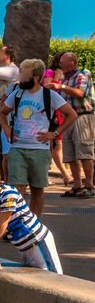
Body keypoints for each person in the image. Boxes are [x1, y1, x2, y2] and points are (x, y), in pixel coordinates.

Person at [0, 58, 75, 217]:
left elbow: (71, 115)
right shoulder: (17, 93)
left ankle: (33, 225)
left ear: (35, 77)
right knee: (16, 189)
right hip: (17, 148)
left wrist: (54, 133)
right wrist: (6, 129)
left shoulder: (49, 96)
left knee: (37, 189)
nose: (20, 78)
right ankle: (16, 223)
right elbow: (2, 113)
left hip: (40, 150)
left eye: (23, 75)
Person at [59, 49, 93, 198]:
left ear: (71, 63)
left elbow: (80, 93)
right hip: (68, 118)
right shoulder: (64, 79)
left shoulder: (82, 74)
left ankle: (90, 185)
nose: (60, 64)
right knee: (70, 154)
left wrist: (62, 87)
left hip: (83, 116)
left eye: (62, 62)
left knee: (85, 152)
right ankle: (77, 185)